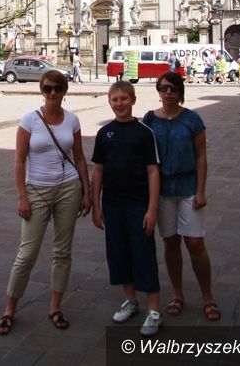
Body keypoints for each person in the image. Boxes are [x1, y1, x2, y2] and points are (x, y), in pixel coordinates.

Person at [0, 70, 91, 336]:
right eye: (48, 88)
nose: (53, 93)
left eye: (58, 88)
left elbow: (79, 157)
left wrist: (87, 191)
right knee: (27, 253)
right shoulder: (29, 120)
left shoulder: (72, 120)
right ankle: (9, 310)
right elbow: (19, 160)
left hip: (69, 188)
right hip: (36, 189)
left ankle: (55, 307)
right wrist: (22, 196)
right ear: (41, 90)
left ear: (65, 91)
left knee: (62, 251)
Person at [142, 72, 221, 322]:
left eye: (173, 89)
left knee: (195, 243)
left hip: (188, 187)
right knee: (171, 242)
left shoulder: (192, 119)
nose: (168, 93)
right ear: (158, 90)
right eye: (164, 88)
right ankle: (177, 294)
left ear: (180, 92)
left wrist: (201, 190)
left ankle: (207, 296)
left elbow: (201, 156)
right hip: (162, 190)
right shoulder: (149, 119)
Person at [92, 81, 162, 336]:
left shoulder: (144, 132)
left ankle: (154, 309)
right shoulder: (104, 133)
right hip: (112, 204)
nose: (119, 104)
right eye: (115, 99)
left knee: (144, 253)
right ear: (109, 102)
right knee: (118, 253)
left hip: (138, 203)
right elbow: (98, 170)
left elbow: (153, 170)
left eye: (123, 99)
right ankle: (131, 300)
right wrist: (96, 204)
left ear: (133, 100)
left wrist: (152, 209)